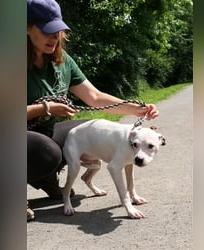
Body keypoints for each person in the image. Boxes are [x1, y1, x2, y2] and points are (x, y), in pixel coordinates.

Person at [27, 0, 159, 220]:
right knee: (47, 151)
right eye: (47, 30)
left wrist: (137, 109)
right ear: (28, 28)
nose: (54, 37)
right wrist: (46, 108)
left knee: (92, 131)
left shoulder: (62, 61)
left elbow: (95, 97)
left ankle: (43, 176)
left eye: (58, 31)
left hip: (44, 131)